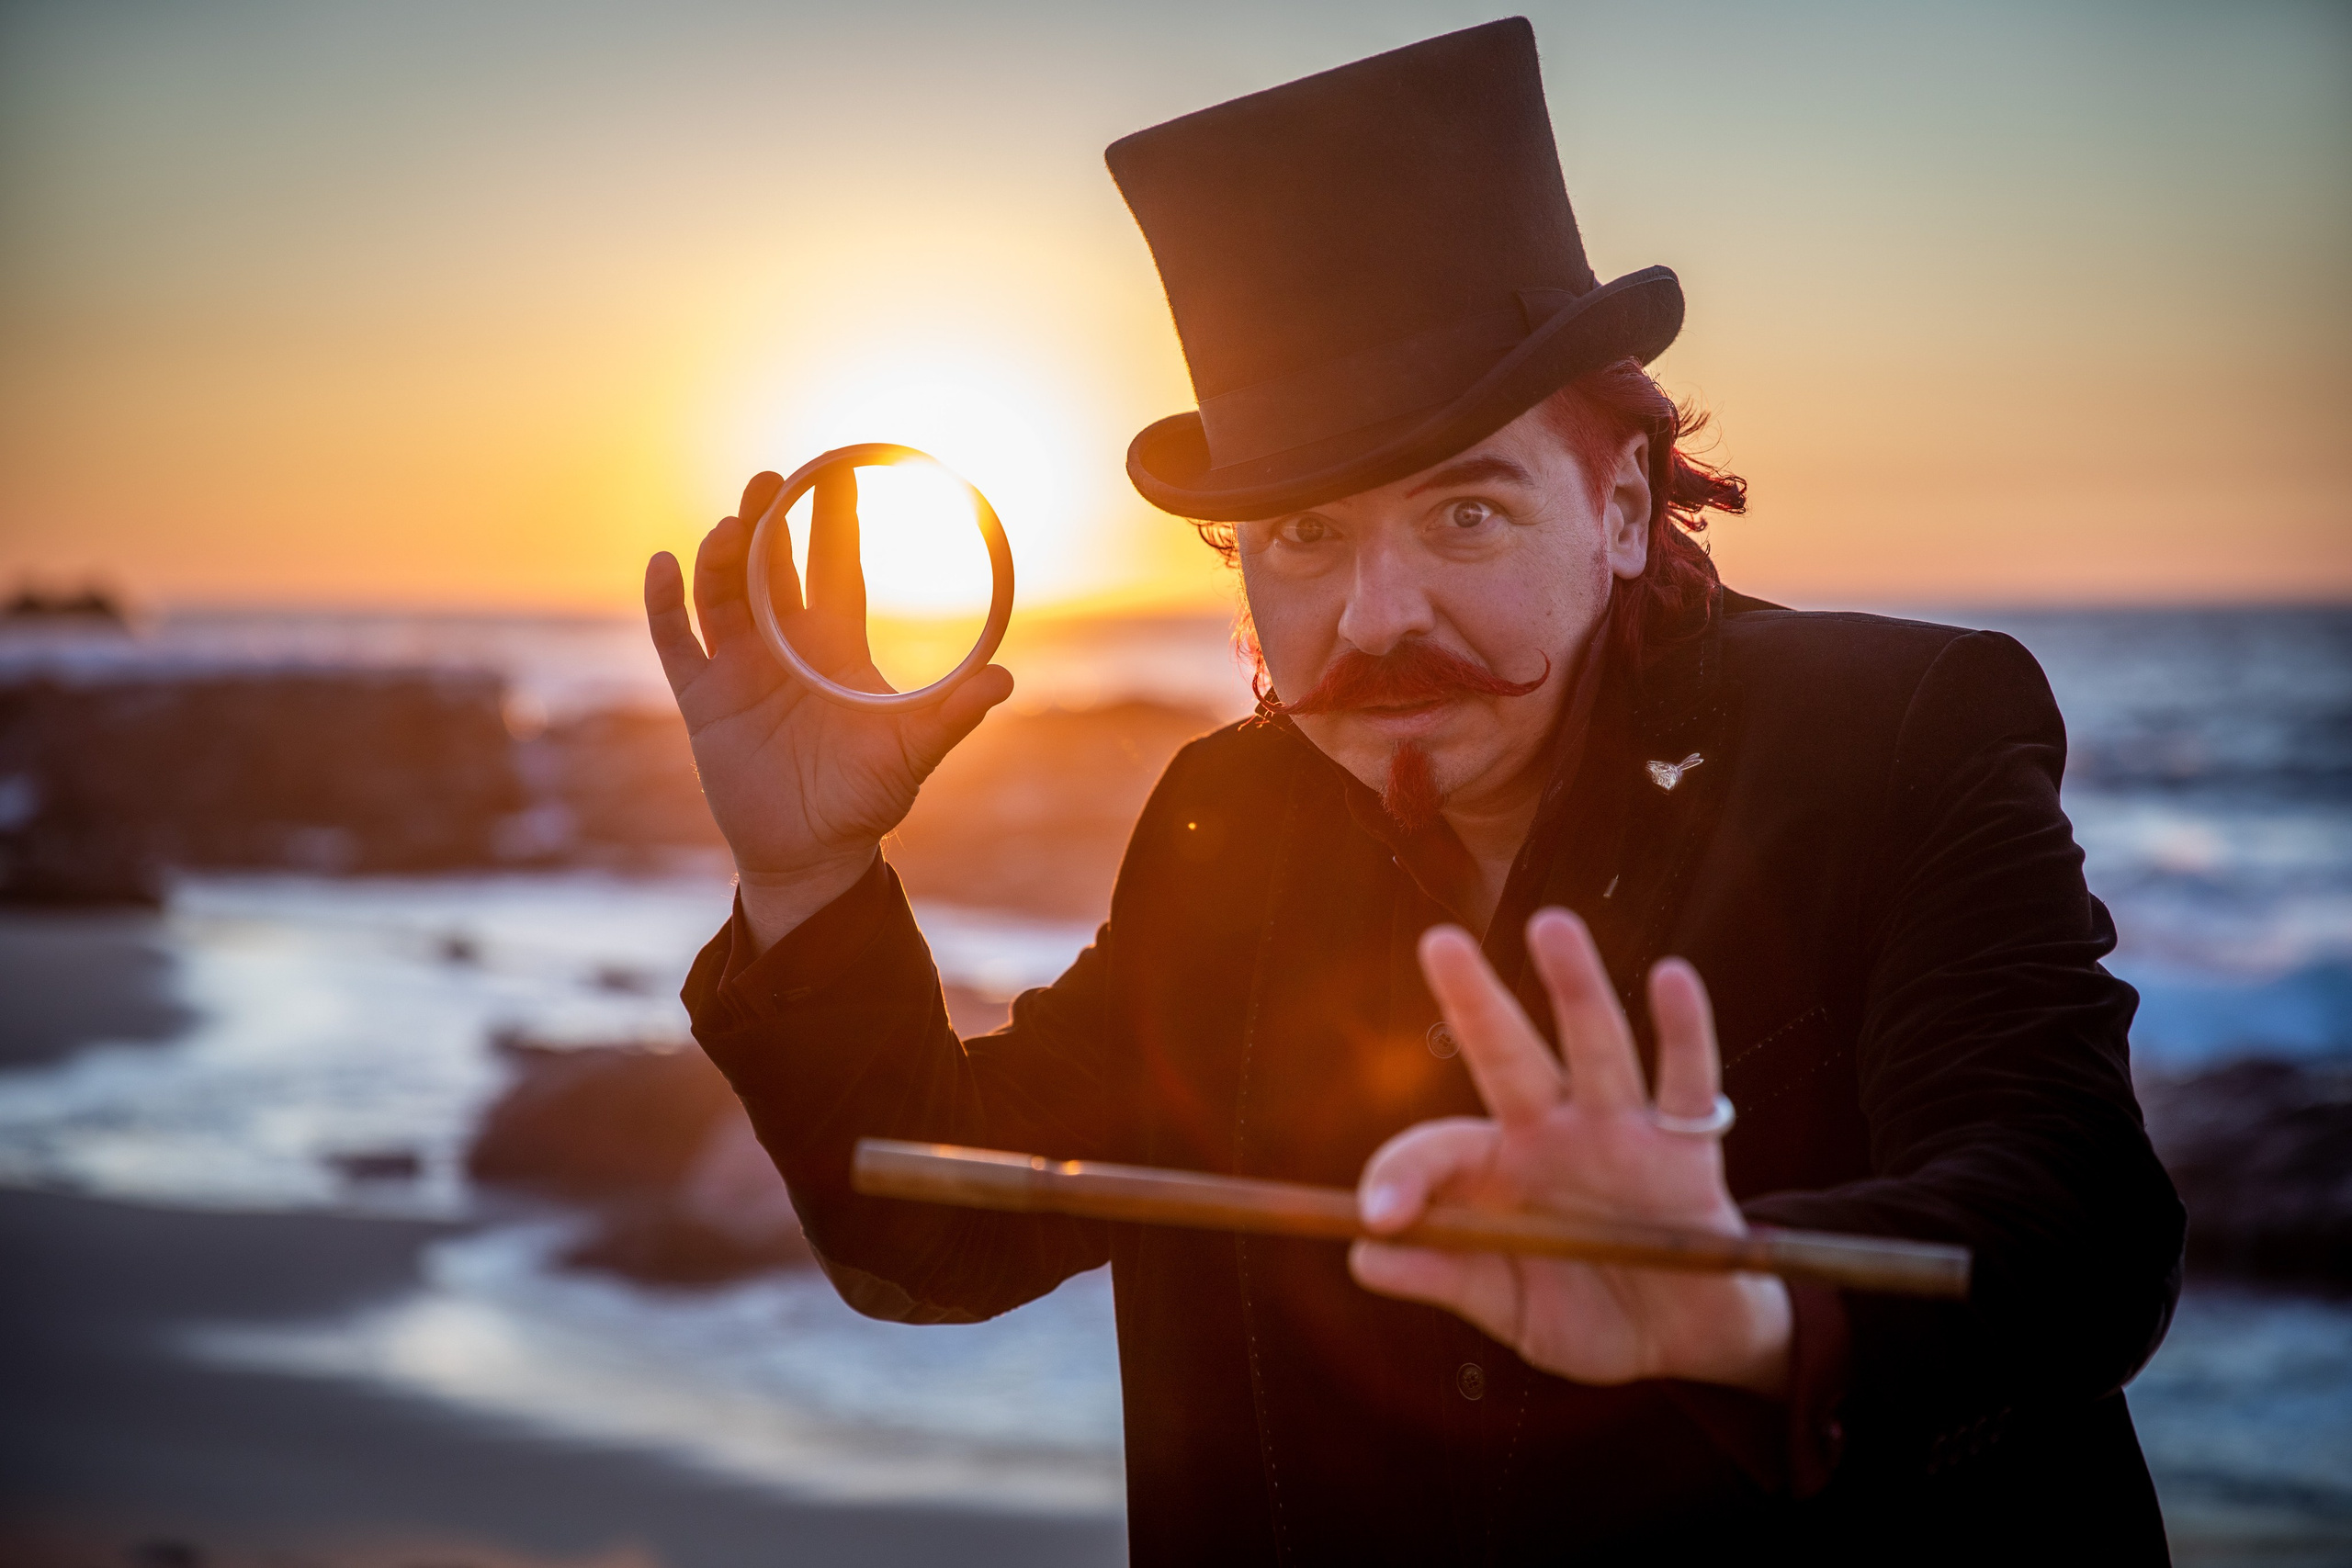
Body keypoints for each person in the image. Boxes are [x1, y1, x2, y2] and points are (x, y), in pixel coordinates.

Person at [642, 19, 2184, 1562]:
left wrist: (1743, 1300)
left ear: (1626, 509)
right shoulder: (1221, 827)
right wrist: (807, 879)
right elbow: (928, 1230)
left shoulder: (1894, 733)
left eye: (1464, 510)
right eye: (1304, 537)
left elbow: (2075, 1228)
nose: (1375, 618)